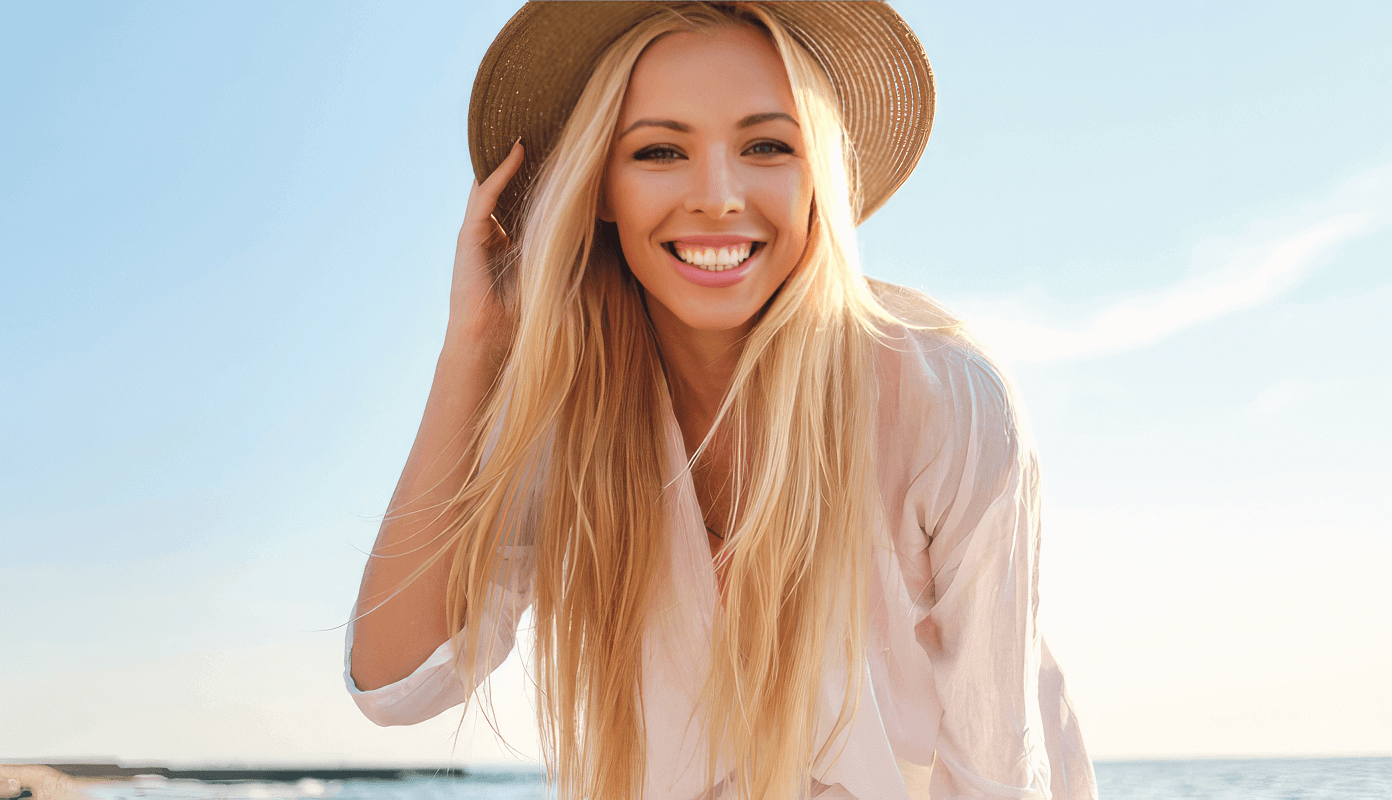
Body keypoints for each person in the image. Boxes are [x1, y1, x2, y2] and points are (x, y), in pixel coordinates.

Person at [345, 3, 1097, 799]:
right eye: (660, 150)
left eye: (767, 145)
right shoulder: (565, 419)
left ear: (820, 175)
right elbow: (398, 685)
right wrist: (474, 349)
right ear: (601, 186)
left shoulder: (945, 402)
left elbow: (998, 767)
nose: (717, 195)